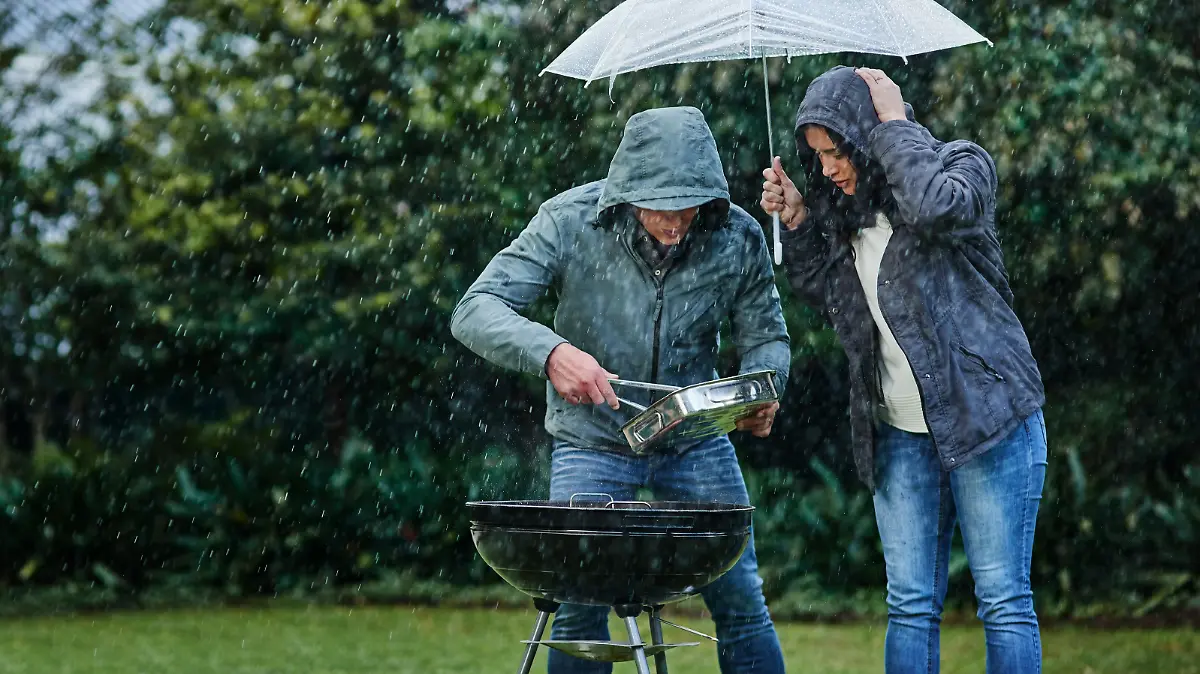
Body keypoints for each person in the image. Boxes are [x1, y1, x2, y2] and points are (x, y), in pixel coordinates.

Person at [452, 106, 791, 674]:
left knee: (740, 601)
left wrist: (762, 388)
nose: (676, 221)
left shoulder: (737, 234)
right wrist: (552, 353)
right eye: (661, 206)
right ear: (627, 191)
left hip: (696, 440)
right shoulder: (568, 221)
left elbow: (767, 338)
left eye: (689, 204)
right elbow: (475, 309)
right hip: (591, 442)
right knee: (580, 609)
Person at [760, 66, 1048, 674]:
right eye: (820, 156)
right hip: (897, 432)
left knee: (1002, 601)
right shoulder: (847, 210)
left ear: (870, 134)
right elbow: (829, 295)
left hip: (987, 422)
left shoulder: (961, 167)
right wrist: (797, 222)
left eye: (839, 151)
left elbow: (934, 208)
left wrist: (892, 123)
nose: (831, 169)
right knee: (911, 605)